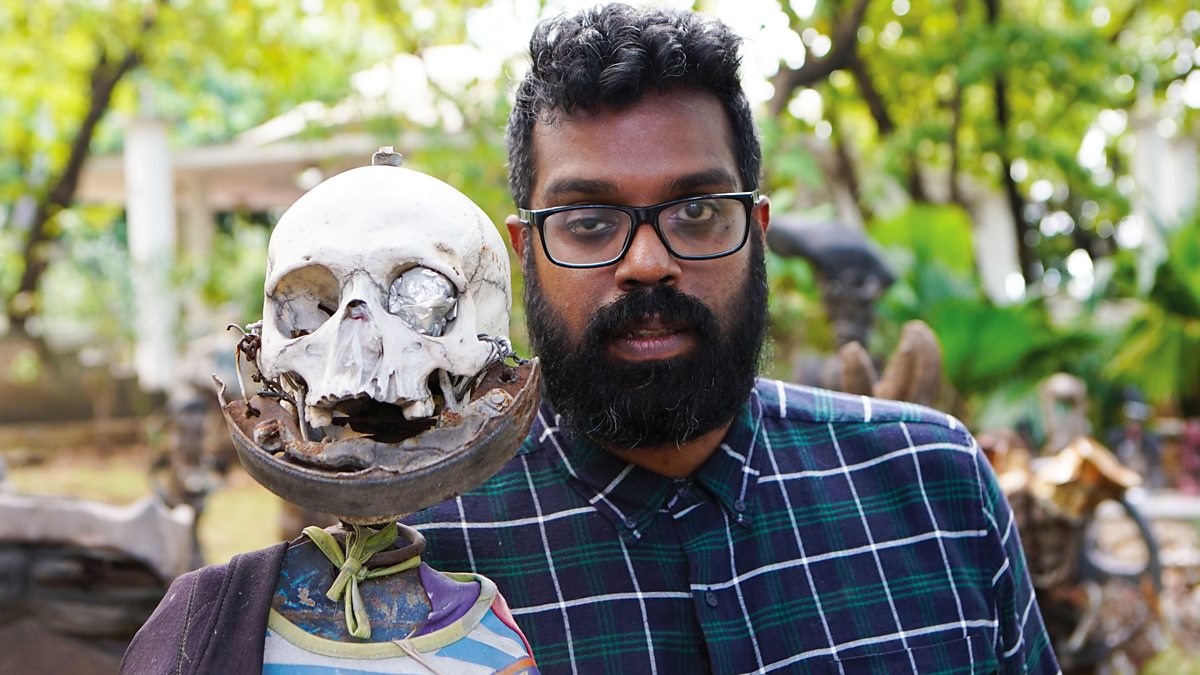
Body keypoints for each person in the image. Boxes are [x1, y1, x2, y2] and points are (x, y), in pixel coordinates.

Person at [407, 3, 1059, 674]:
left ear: (758, 233)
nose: (648, 263)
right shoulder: (413, 548)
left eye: (696, 211)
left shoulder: (938, 486)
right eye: (590, 221)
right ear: (526, 252)